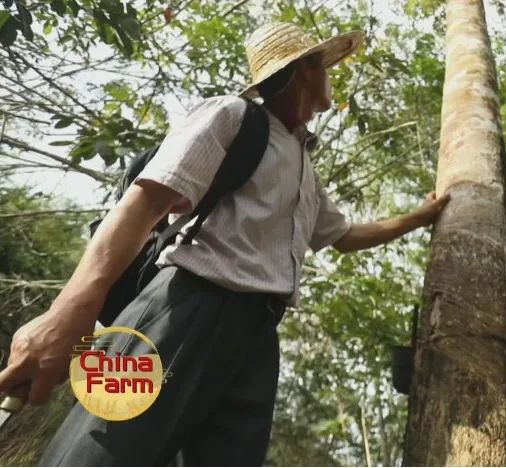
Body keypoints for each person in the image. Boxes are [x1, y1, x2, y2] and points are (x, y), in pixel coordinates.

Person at [0, 21, 449, 466]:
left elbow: (347, 236)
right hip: (182, 310)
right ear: (305, 71)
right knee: (101, 454)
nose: (332, 74)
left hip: (257, 336)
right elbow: (147, 201)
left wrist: (422, 215)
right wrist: (65, 315)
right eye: (325, 65)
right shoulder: (231, 116)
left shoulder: (303, 168)